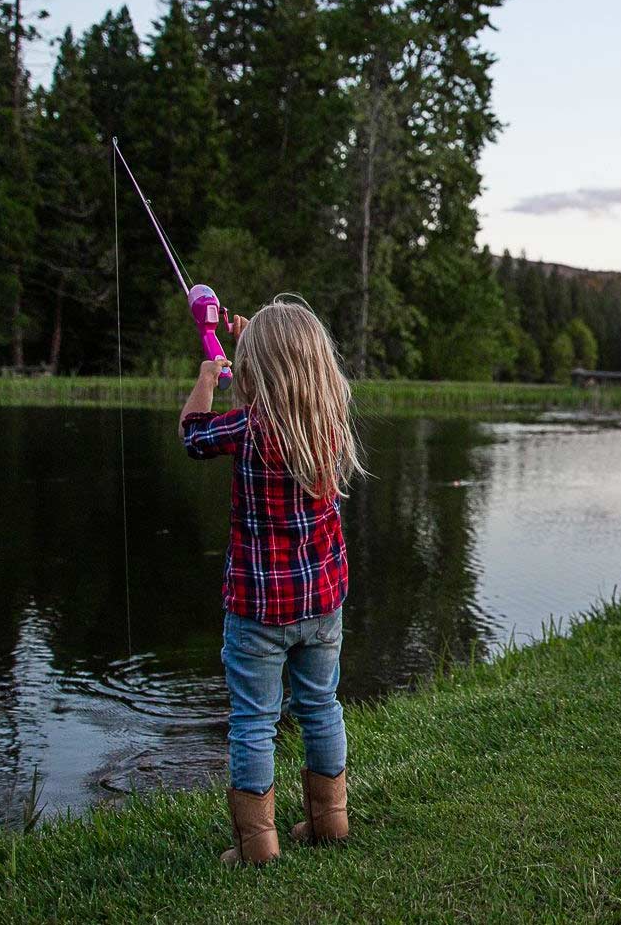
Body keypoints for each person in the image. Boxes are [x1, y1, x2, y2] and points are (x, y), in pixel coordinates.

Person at [179, 296, 364, 866]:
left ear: (257, 369)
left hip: (259, 610)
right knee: (321, 705)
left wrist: (208, 376)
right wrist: (246, 332)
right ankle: (331, 821)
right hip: (323, 604)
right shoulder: (329, 423)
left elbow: (192, 434)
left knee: (254, 721)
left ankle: (258, 847)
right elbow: (282, 359)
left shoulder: (247, 426)